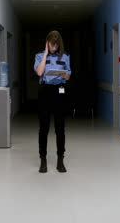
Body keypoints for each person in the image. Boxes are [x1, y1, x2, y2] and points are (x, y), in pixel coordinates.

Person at [34, 30, 71, 173]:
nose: (53, 48)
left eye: (55, 46)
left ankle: (60, 160)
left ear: (59, 44)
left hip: (59, 92)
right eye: (50, 45)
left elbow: (68, 76)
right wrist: (45, 53)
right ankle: (43, 160)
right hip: (45, 92)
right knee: (43, 128)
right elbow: (39, 72)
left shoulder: (65, 57)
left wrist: (63, 74)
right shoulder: (39, 56)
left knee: (60, 128)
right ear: (47, 43)